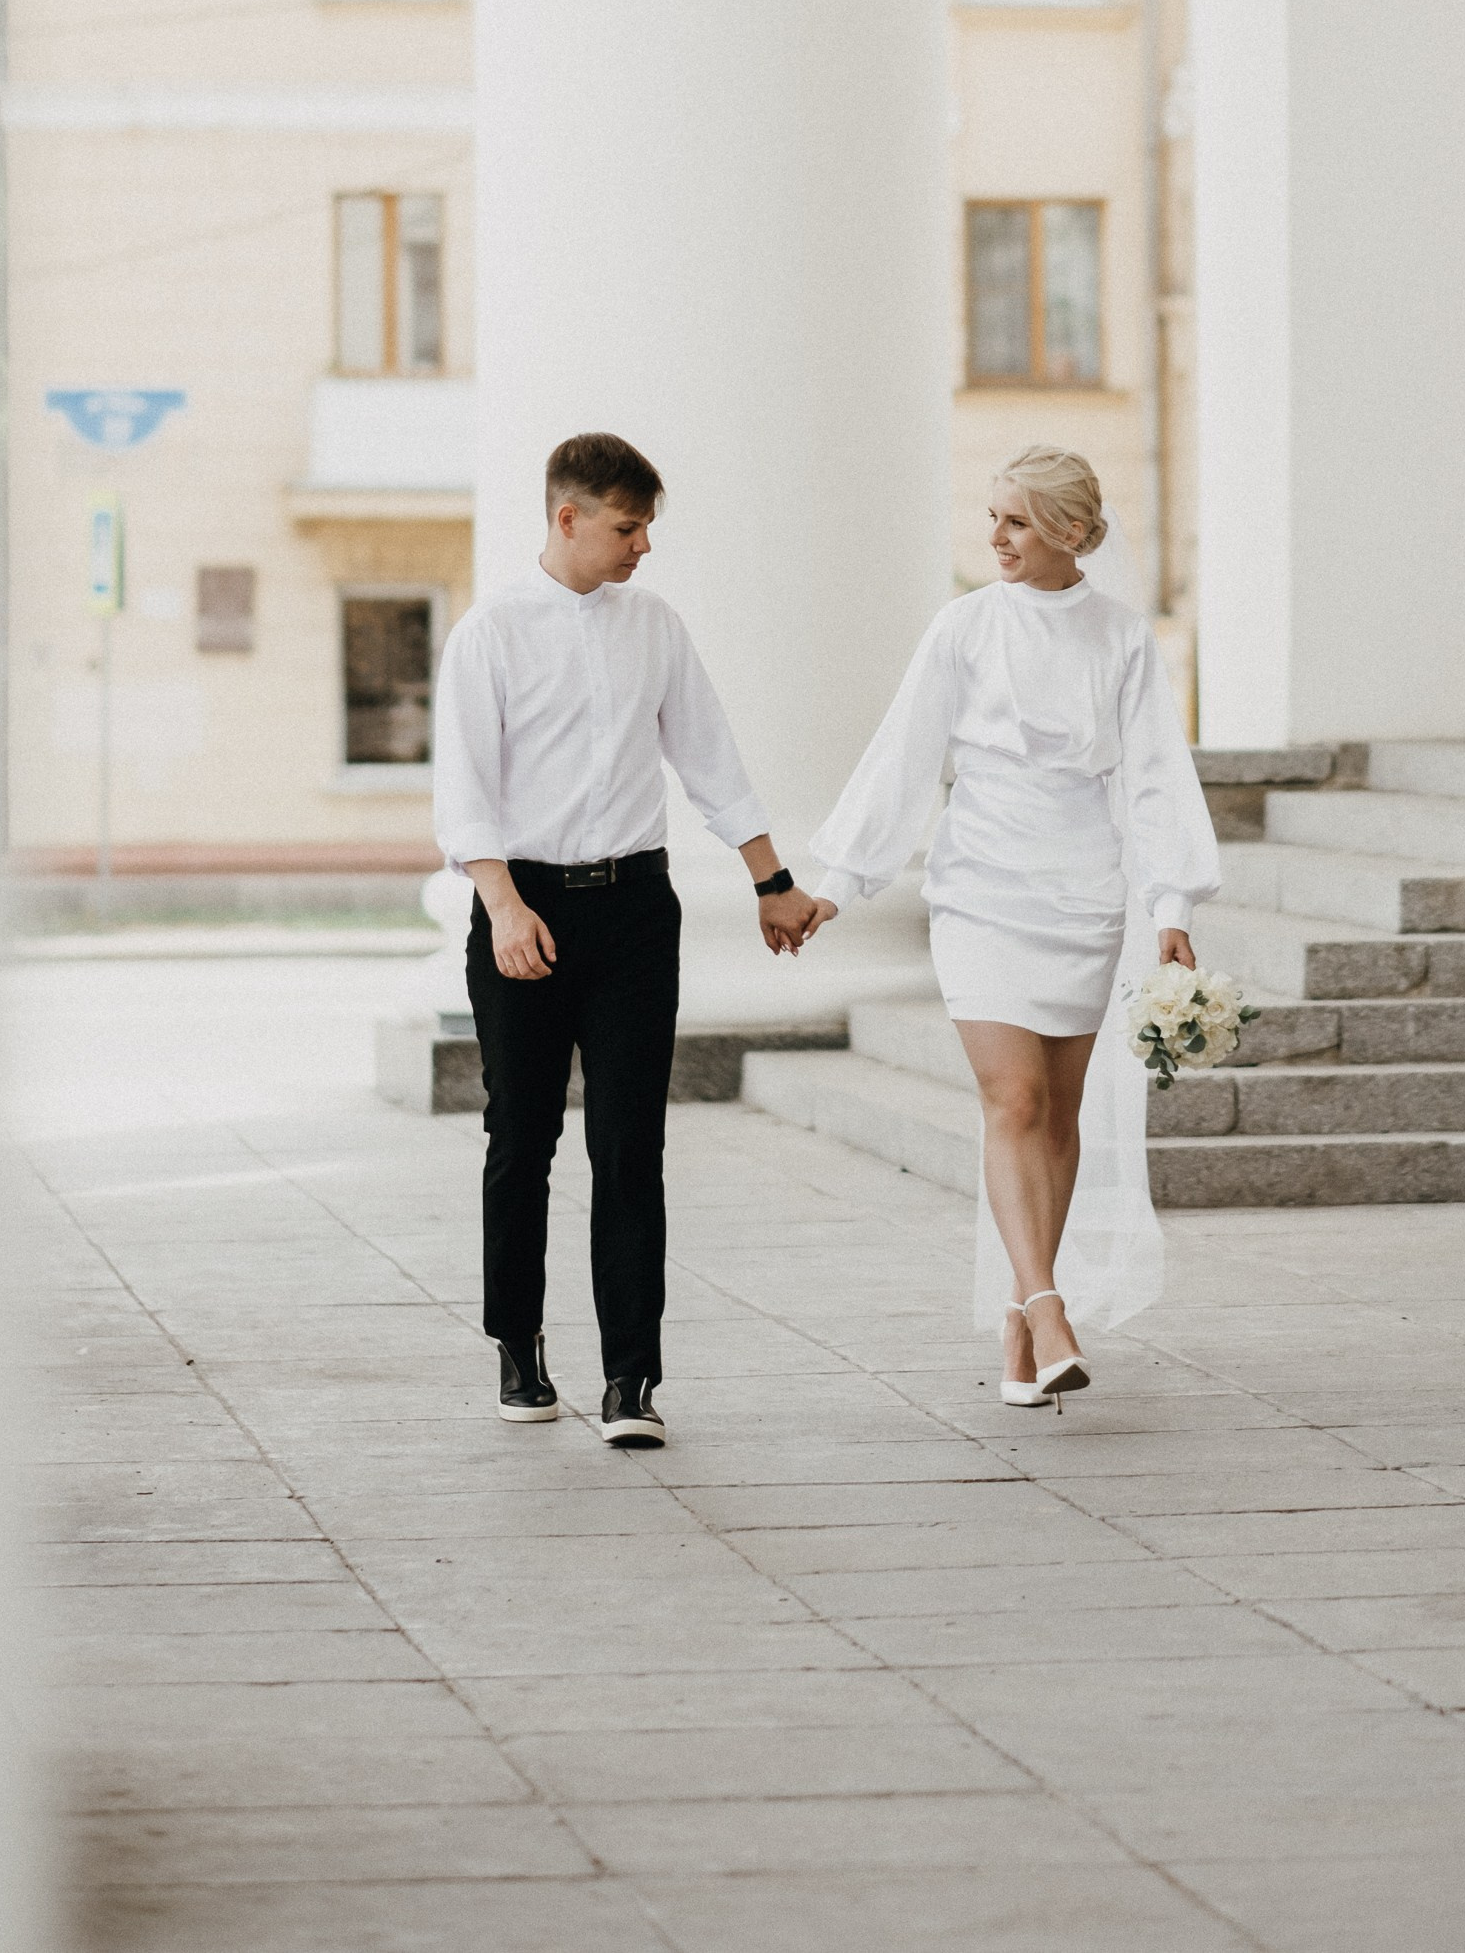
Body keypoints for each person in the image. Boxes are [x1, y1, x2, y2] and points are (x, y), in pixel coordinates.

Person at [432, 431, 826, 1443]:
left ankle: (629, 1379)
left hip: (635, 912)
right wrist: (503, 904)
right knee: (522, 1136)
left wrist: (770, 880)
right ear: (567, 518)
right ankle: (518, 1348)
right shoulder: (490, 632)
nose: (642, 544)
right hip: (524, 908)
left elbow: (709, 755)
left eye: (645, 524)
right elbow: (464, 789)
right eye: (626, 525)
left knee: (629, 1143)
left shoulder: (653, 625)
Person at [806, 446, 1218, 1406]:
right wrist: (842, 880)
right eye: (992, 517)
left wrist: (1170, 904)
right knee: (1014, 1104)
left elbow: (1156, 771)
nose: (994, 536)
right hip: (981, 890)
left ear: (1071, 532)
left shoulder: (1121, 638)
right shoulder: (962, 629)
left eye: (1016, 521)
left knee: (1062, 1118)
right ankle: (1045, 1304)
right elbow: (902, 753)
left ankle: (1017, 1325)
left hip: (1082, 891)